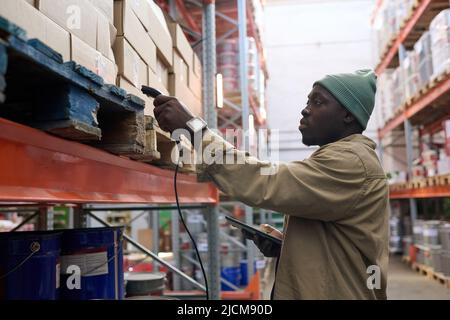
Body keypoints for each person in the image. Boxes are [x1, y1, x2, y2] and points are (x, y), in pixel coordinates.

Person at [150, 69, 389, 300]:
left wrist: (194, 130)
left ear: (348, 115)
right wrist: (288, 246)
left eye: (318, 102)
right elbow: (339, 244)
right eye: (308, 101)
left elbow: (263, 180)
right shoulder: (341, 159)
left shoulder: (350, 163)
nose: (305, 110)